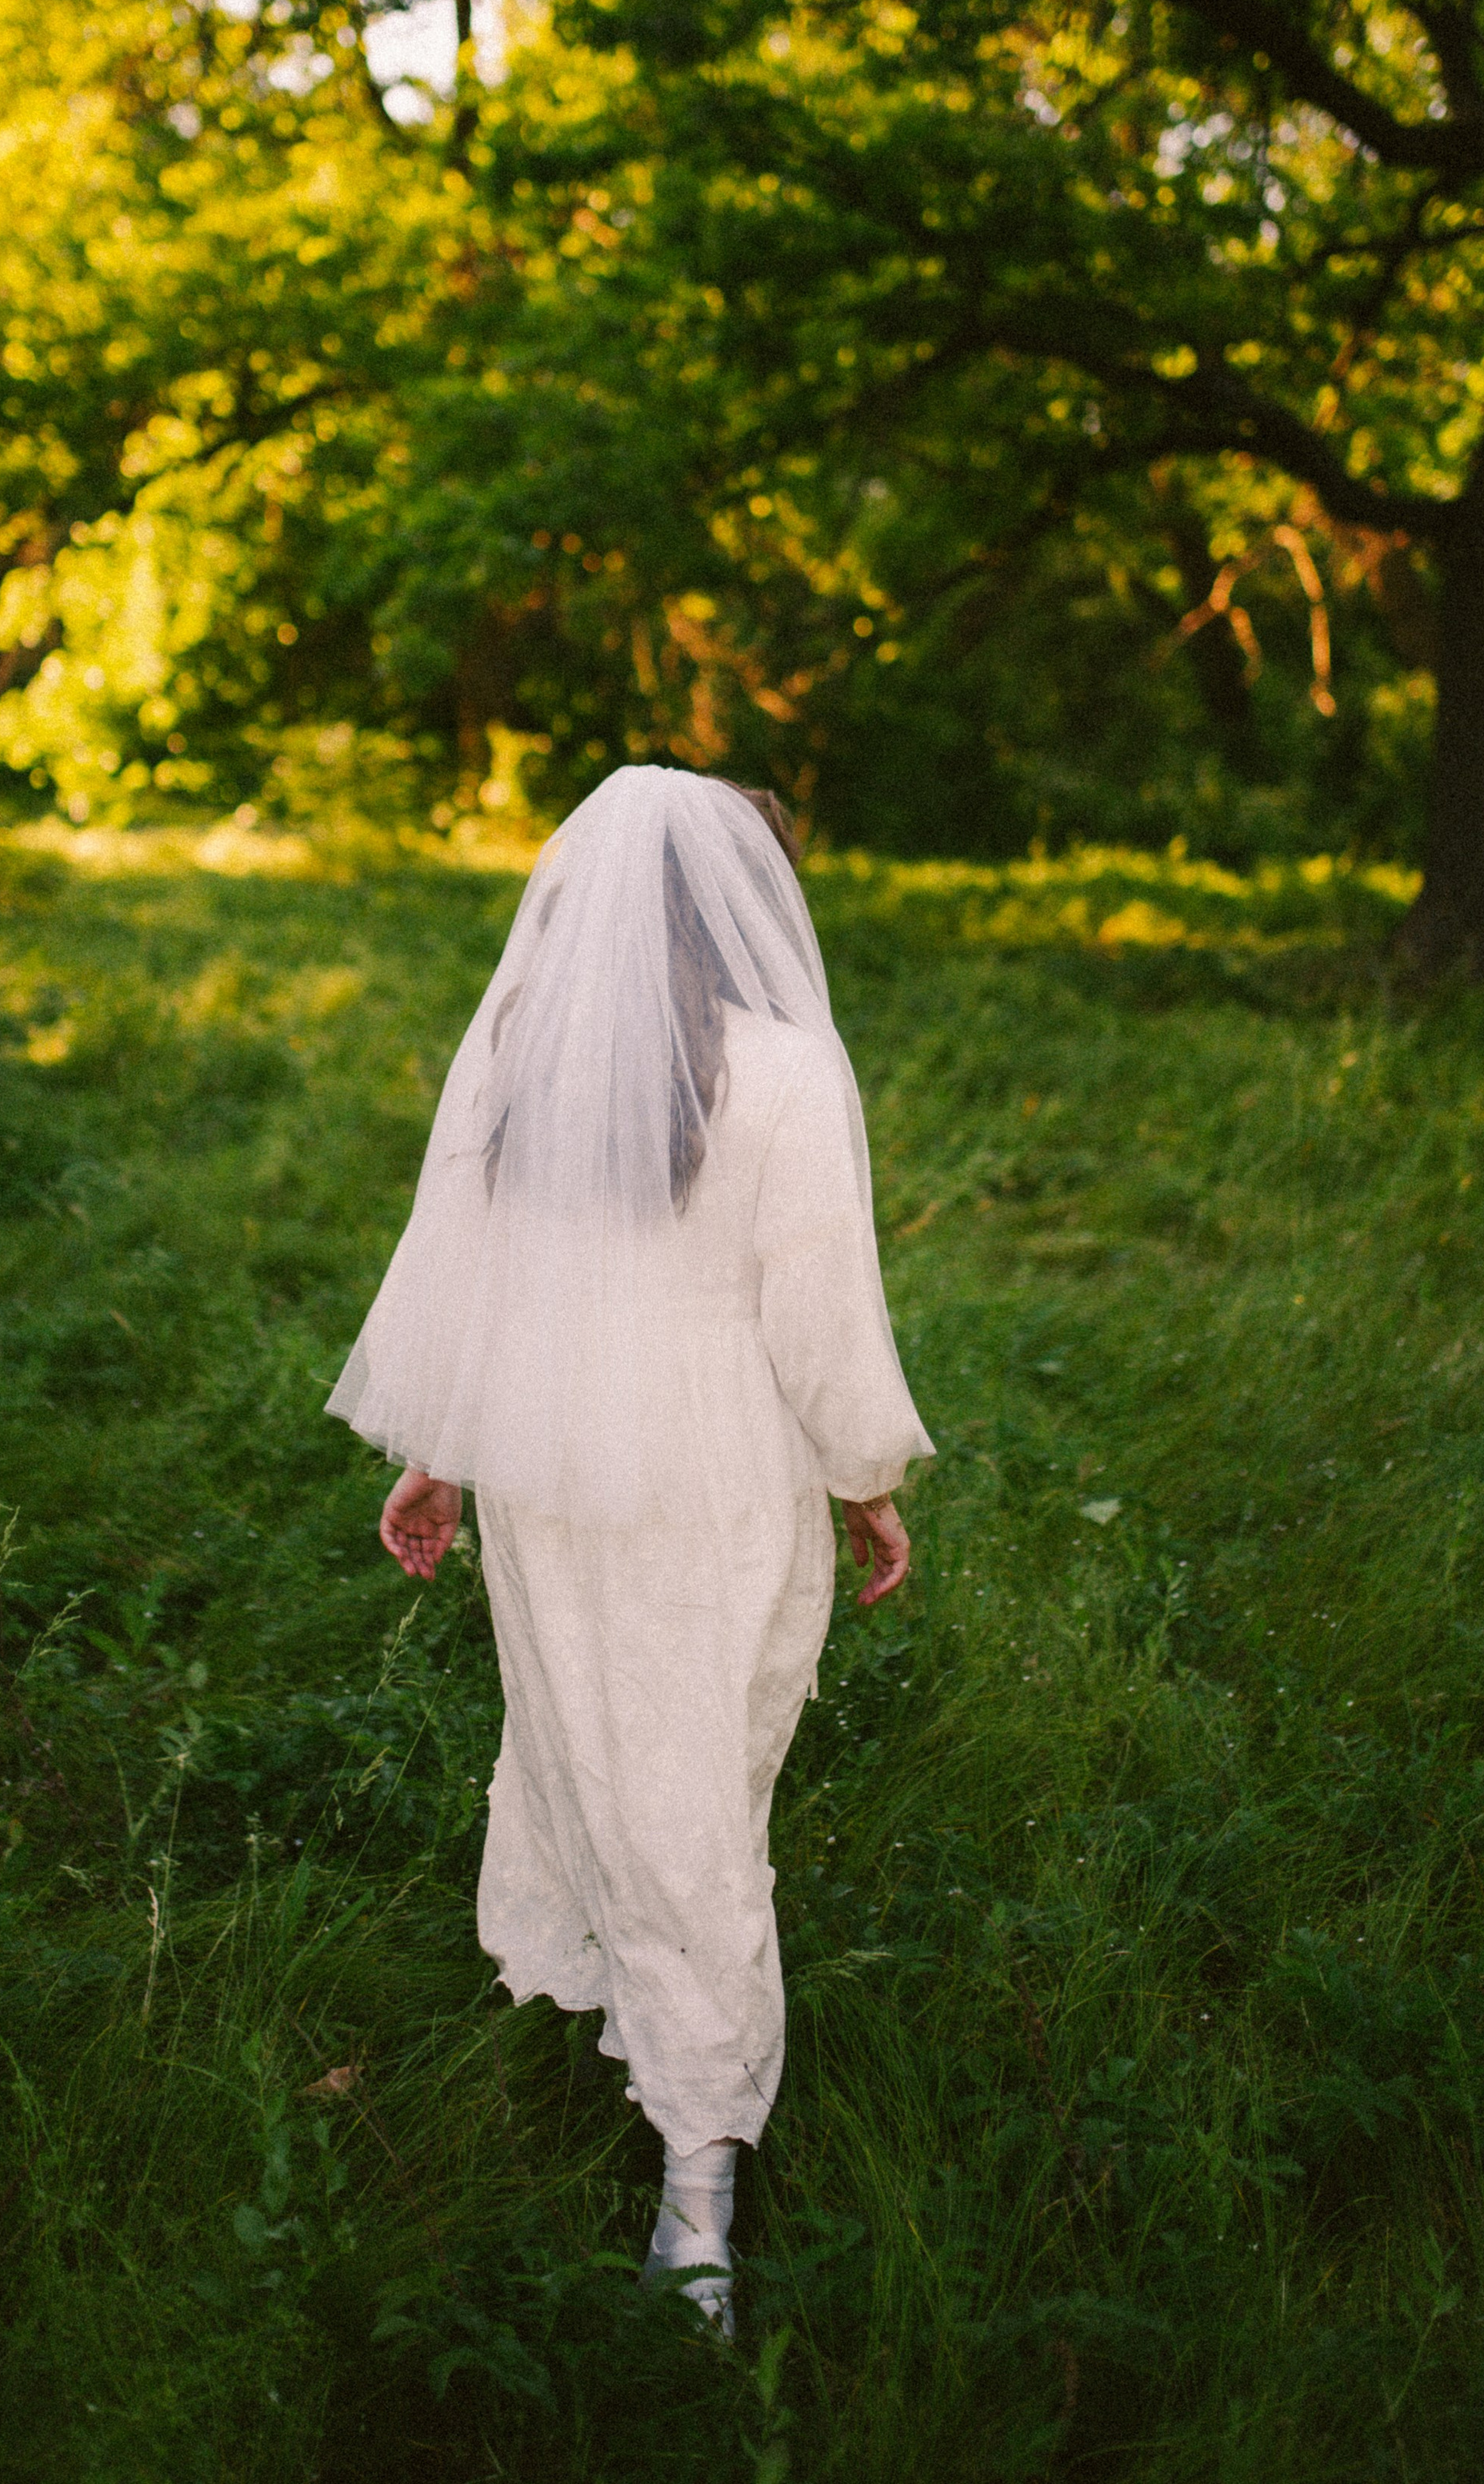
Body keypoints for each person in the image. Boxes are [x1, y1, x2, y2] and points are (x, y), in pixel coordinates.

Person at [327, 763, 930, 2334]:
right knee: (692, 1786)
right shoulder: (788, 1077)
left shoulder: (527, 1056)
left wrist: (442, 1456)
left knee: (605, 1749)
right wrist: (862, 1479)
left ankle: (657, 2050)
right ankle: (696, 2180)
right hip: (715, 1470)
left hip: (553, 1469)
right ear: (753, 903)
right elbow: (820, 1328)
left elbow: (466, 1274)